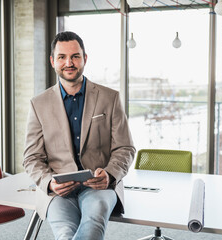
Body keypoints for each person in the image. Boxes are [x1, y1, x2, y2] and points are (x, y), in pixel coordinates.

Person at [23, 31, 135, 240]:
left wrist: (110, 174)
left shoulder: (110, 98)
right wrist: (49, 182)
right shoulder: (38, 104)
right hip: (58, 190)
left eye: (75, 56)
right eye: (62, 57)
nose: (69, 63)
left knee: (92, 224)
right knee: (65, 233)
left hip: (100, 186)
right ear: (52, 61)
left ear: (85, 58)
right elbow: (32, 158)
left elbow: (125, 148)